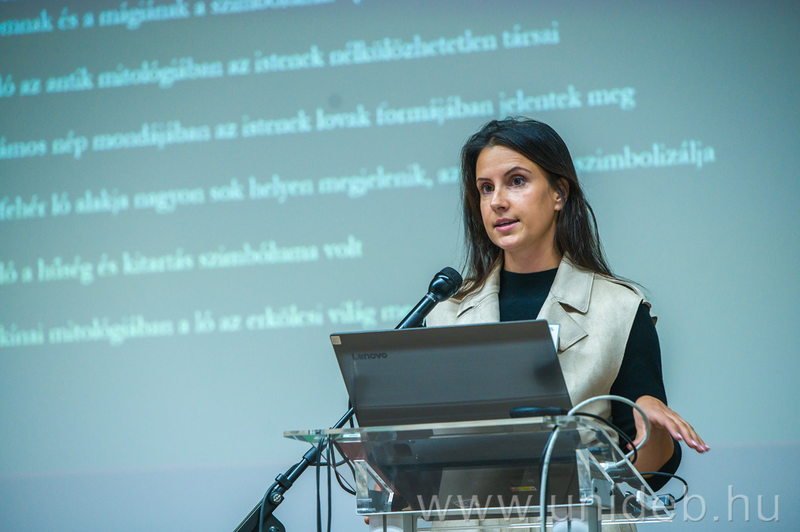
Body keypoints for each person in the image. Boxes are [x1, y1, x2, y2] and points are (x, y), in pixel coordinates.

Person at [426, 117, 708, 489]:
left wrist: (652, 430)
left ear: (559, 193)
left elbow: (649, 476)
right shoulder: (443, 315)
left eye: (517, 181)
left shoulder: (619, 310)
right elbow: (422, 454)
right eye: (485, 188)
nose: (497, 201)